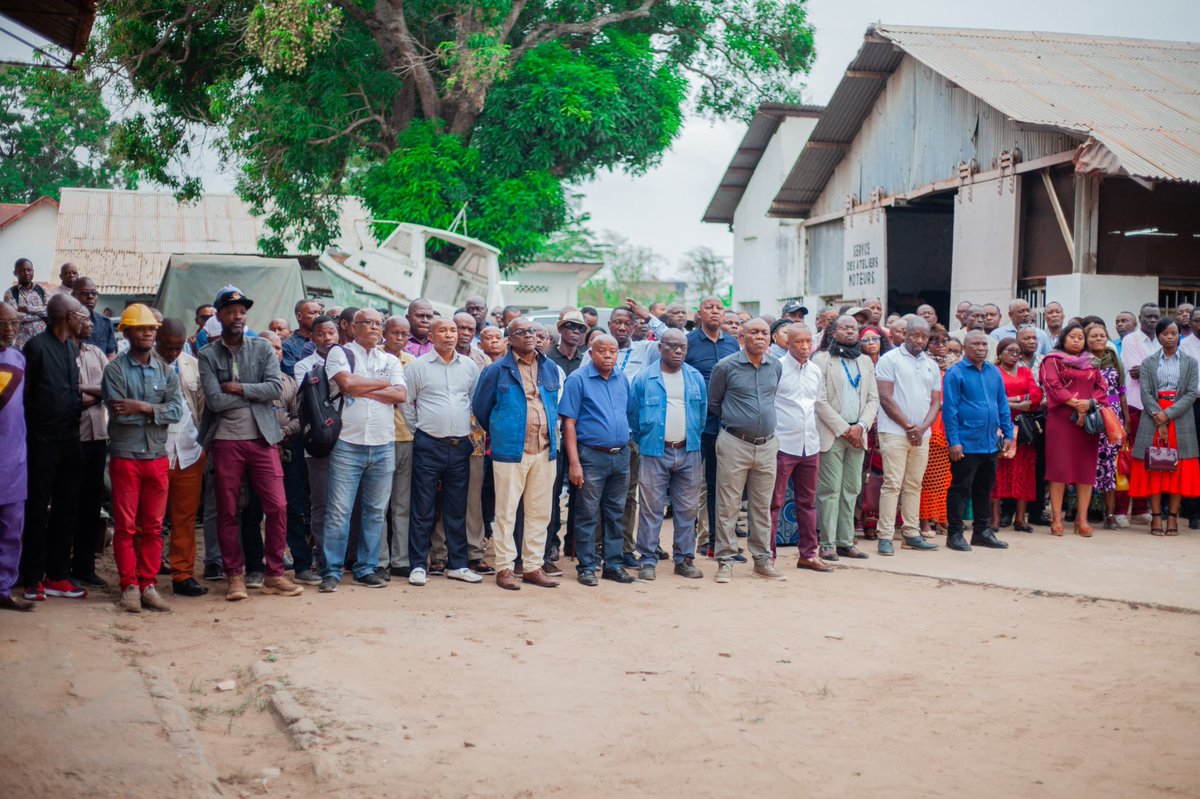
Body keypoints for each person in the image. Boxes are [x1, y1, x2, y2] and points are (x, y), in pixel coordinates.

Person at [198, 286, 304, 601]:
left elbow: (274, 388)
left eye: (242, 311)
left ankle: (274, 573)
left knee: (278, 506)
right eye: (231, 311)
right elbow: (214, 402)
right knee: (229, 510)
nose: (238, 316)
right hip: (225, 441)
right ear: (219, 316)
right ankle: (235, 576)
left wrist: (239, 388)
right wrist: (244, 392)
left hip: (263, 439)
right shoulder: (207, 355)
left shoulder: (260, 348)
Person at [103, 305, 184, 613]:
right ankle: (129, 586)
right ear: (127, 332)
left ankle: (148, 584)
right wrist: (155, 411)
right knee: (126, 526)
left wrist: (141, 407)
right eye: (141, 328)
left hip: (156, 456)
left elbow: (176, 412)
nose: (149, 333)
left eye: (151, 328)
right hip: (126, 456)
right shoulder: (115, 370)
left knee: (153, 526)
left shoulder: (165, 370)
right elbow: (120, 416)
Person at [318, 309, 406, 592]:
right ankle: (331, 570)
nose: (374, 327)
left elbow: (400, 394)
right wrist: (382, 384)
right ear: (352, 327)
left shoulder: (390, 359)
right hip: (347, 443)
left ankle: (366, 568)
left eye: (378, 323)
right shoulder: (340, 354)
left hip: (383, 444)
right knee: (338, 511)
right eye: (367, 323)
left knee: (375, 511)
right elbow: (346, 383)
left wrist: (360, 388)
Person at [473, 317, 561, 590]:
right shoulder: (497, 370)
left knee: (539, 512)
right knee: (506, 512)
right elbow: (482, 408)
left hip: (545, 450)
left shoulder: (549, 368)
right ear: (509, 339)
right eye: (522, 332)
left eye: (533, 331)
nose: (530, 336)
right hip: (511, 451)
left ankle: (533, 566)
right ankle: (505, 567)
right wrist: (504, 430)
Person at [404, 317, 481, 586]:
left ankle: (458, 564)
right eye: (443, 331)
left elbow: (473, 402)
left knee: (456, 508)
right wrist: (419, 431)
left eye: (453, 331)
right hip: (428, 444)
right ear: (432, 335)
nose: (449, 336)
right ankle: (418, 565)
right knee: (422, 507)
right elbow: (406, 403)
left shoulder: (470, 367)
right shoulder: (418, 368)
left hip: (460, 446)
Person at [19, 294, 86, 601]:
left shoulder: (71, 347)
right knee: (36, 508)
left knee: (67, 508)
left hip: (70, 440)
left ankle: (58, 575)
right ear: (65, 317)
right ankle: (33, 578)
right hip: (42, 441)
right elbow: (25, 394)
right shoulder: (35, 347)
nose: (83, 319)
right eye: (78, 315)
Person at [708, 319, 784, 582]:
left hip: (766, 445)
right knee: (728, 505)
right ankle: (725, 561)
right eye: (754, 332)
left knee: (762, 506)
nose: (760, 337)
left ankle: (762, 560)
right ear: (743, 336)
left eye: (765, 333)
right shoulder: (726, 367)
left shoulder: (774, 365)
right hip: (734, 443)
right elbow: (714, 403)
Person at [627, 328, 706, 580]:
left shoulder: (694, 377)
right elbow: (633, 416)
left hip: (688, 451)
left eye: (682, 346)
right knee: (651, 509)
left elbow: (701, 416)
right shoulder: (644, 378)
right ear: (660, 348)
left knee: (687, 509)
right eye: (672, 346)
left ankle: (684, 559)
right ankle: (647, 560)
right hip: (653, 452)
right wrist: (646, 441)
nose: (678, 351)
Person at [558, 334, 632, 586]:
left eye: (613, 351)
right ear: (591, 353)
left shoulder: (622, 378)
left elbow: (626, 413)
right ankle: (587, 566)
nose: (609, 355)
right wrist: (575, 463)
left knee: (615, 513)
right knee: (587, 513)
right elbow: (569, 423)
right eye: (603, 351)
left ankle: (613, 564)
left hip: (620, 456)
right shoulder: (578, 380)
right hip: (590, 456)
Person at [873, 317, 941, 555]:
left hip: (922, 434)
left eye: (924, 336)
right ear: (905, 334)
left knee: (914, 484)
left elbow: (935, 402)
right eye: (915, 335)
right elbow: (885, 398)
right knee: (892, 483)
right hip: (894, 431)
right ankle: (885, 536)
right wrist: (909, 426)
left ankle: (911, 533)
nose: (919, 340)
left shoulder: (931, 365)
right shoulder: (889, 359)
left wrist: (921, 428)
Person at [813, 315, 878, 561]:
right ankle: (827, 543)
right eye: (844, 327)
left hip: (858, 435)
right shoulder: (821, 360)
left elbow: (873, 399)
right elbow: (819, 401)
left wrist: (861, 426)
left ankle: (845, 541)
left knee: (852, 488)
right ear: (833, 332)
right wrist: (845, 429)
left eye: (854, 327)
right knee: (830, 489)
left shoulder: (865, 361)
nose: (850, 331)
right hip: (833, 434)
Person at [942, 331, 1014, 552]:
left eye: (984, 344)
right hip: (965, 441)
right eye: (976, 344)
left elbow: (1002, 403)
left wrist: (1009, 434)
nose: (981, 348)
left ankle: (982, 532)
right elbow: (950, 410)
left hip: (990, 441)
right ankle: (954, 534)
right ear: (965, 347)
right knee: (960, 488)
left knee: (985, 488)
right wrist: (953, 441)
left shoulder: (993, 371)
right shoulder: (956, 373)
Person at [152, 319, 209, 597]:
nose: (173, 353)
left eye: (178, 346)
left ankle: (183, 575)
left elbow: (201, 407)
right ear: (156, 341)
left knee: (185, 518)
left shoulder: (191, 364)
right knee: (150, 518)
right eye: (167, 347)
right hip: (155, 451)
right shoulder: (143, 363)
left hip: (188, 451)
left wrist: (202, 444)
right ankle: (145, 575)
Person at [770, 324, 831, 573]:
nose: (806, 347)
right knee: (774, 503)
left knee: (808, 502)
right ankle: (768, 557)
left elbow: (815, 405)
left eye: (809, 342)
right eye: (799, 342)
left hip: (810, 445)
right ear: (788, 343)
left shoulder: (815, 371)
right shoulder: (777, 368)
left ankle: (808, 554)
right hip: (782, 445)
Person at [1129, 319, 1198, 535]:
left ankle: (1173, 518)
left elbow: (1190, 393)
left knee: (1178, 469)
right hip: (1152, 417)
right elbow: (1145, 392)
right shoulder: (1149, 362)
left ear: (1179, 335)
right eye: (1165, 333)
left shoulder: (1190, 362)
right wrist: (1159, 415)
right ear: (1158, 336)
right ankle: (1157, 517)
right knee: (1155, 467)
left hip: (1180, 417)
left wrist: (1168, 414)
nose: (1170, 337)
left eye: (1174, 333)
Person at [1040, 322, 1109, 537]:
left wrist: (1088, 404)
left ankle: (1082, 519)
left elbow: (1102, 388)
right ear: (1063, 339)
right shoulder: (1052, 360)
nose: (1077, 340)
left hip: (1087, 420)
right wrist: (1075, 403)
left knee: (1085, 469)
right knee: (1059, 469)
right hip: (1061, 419)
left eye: (1081, 337)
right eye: (1073, 336)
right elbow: (1052, 385)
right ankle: (1057, 518)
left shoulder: (1090, 363)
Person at [685, 296, 740, 557]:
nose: (715, 311)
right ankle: (687, 544)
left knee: (721, 485)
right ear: (699, 313)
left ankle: (716, 543)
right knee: (691, 485)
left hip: (726, 425)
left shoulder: (732, 343)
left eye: (719, 308)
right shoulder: (689, 343)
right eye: (709, 307)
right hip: (696, 424)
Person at [293, 315, 340, 579]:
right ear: (312, 338)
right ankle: (322, 558)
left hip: (347, 441)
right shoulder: (304, 366)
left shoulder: (350, 361)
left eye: (332, 333)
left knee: (344, 504)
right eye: (321, 334)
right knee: (321, 503)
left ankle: (345, 556)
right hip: (318, 444)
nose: (328, 338)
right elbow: (315, 398)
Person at [70, 306, 108, 589]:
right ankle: (59, 566)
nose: (90, 323)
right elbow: (67, 394)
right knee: (66, 504)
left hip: (98, 438)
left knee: (91, 506)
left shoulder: (96, 353)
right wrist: (90, 393)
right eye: (84, 318)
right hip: (72, 438)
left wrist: (85, 392)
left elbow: (110, 387)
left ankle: (84, 566)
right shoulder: (59, 352)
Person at [990, 337, 1043, 533]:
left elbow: (1036, 396)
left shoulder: (1025, 371)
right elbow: (991, 397)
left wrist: (1007, 400)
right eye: (1009, 351)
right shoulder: (993, 372)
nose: (1014, 354)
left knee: (1024, 472)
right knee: (997, 473)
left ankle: (1020, 519)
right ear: (1000, 353)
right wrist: (1015, 403)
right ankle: (994, 518)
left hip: (1023, 429)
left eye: (1017, 351)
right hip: (999, 427)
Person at [1080, 323, 1129, 530]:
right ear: (1086, 340)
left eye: (1102, 335)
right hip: (1091, 415)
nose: (1098, 339)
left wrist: (1126, 420)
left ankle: (1109, 514)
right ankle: (1083, 513)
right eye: (1093, 336)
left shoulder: (1114, 359)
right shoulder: (1082, 361)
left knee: (1111, 466)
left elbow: (1122, 391)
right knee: (1088, 464)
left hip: (1113, 415)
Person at [0, 303, 32, 610]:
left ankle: (3, 588)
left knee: (11, 529)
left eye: (14, 322)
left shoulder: (18, 358)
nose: (9, 329)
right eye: (3, 323)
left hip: (13, 462)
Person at [1118, 303, 1162, 525]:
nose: (1152, 321)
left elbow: (1147, 371)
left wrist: (1148, 369)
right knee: (1129, 457)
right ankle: (1120, 509)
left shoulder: (1164, 339)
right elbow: (1135, 371)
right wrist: (1159, 368)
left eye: (1156, 317)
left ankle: (1141, 508)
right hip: (1135, 406)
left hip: (1158, 408)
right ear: (1139, 318)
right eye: (1148, 317)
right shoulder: (1130, 340)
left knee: (1150, 459)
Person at [920, 324, 956, 536]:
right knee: (926, 477)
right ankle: (924, 520)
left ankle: (941, 518)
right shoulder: (924, 365)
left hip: (950, 425)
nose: (941, 346)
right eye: (935, 342)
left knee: (944, 478)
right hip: (931, 424)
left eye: (944, 342)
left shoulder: (955, 365)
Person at [3, 258, 46, 349]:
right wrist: (40, 314)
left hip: (44, 342)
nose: (26, 273)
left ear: (33, 271)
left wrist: (26, 309)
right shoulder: (10, 293)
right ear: (15, 273)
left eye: (29, 270)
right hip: (22, 344)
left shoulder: (42, 290)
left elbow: (49, 311)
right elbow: (16, 317)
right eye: (22, 270)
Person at [71, 277, 117, 360]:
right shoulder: (66, 322)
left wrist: (104, 371)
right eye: (85, 293)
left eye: (94, 293)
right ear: (73, 295)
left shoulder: (105, 323)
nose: (90, 297)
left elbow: (111, 354)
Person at [281, 299, 321, 377]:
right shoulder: (287, 346)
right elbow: (293, 375)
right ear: (299, 316)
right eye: (312, 313)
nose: (318, 317)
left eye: (320, 313)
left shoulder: (325, 341)